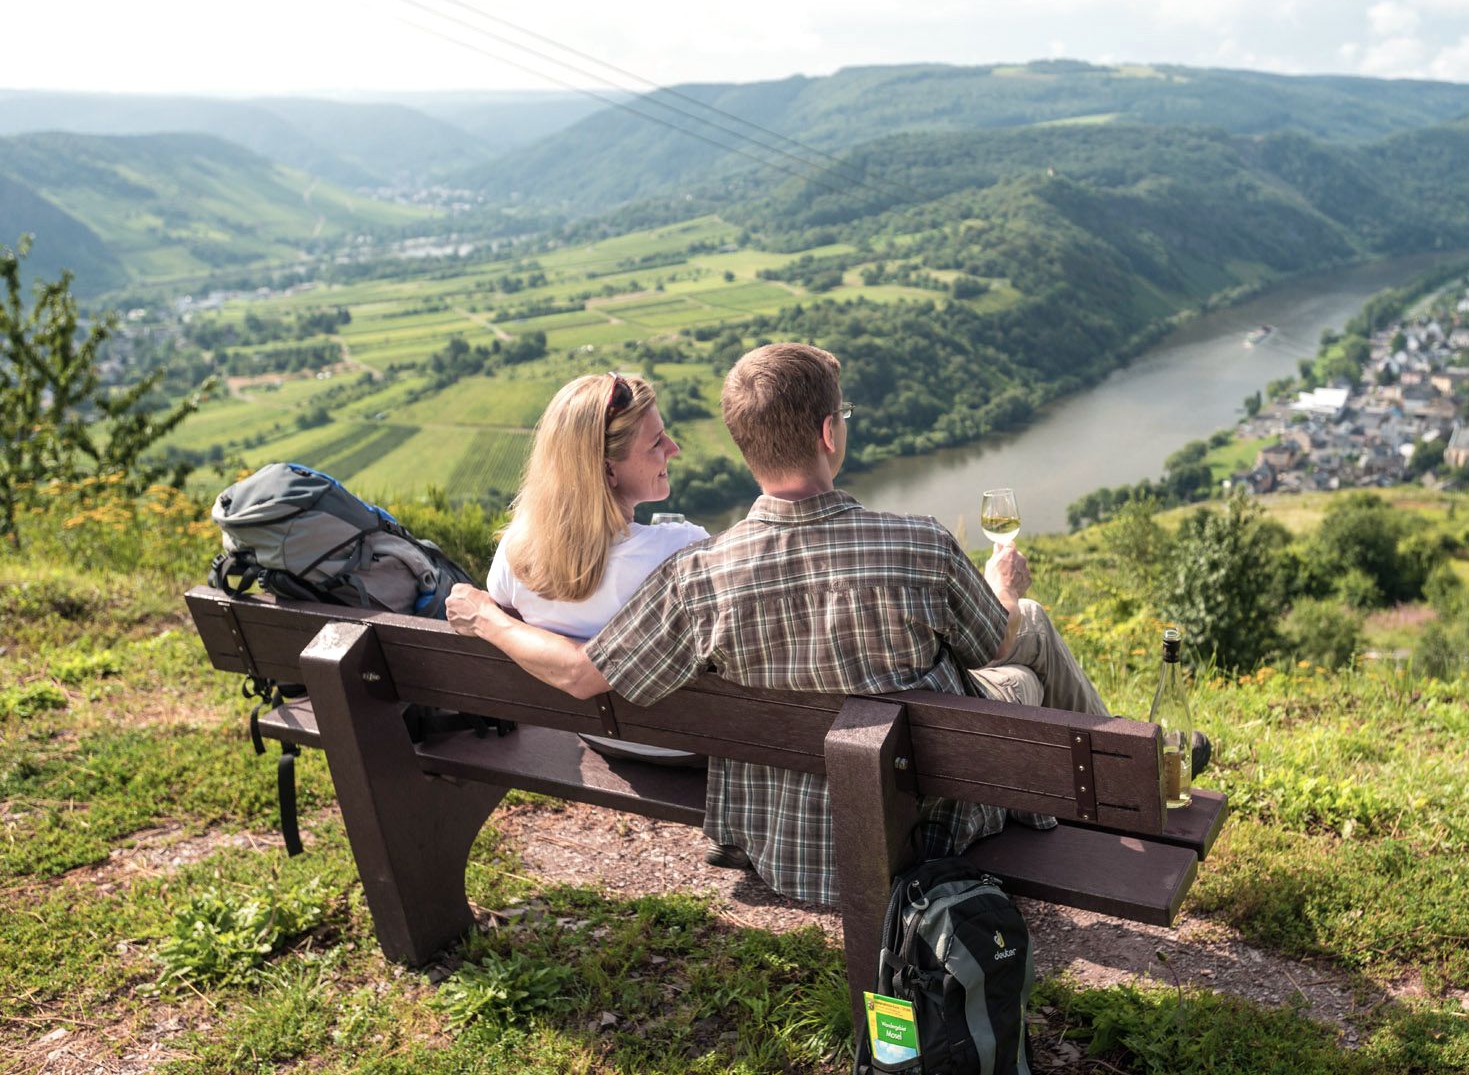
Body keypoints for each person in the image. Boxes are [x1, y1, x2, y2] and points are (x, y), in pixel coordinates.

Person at [447, 343, 1110, 906]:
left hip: (783, 838)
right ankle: (1120, 791)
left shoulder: (696, 576)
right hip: (918, 820)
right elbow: (993, 643)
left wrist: (484, 616)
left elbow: (586, 670)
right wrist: (1003, 587)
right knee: (1024, 662)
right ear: (828, 435)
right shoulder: (921, 545)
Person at [484, 371, 708, 755]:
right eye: (656, 442)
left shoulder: (516, 554)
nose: (673, 448)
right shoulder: (684, 552)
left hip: (596, 738)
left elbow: (507, 623)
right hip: (688, 752)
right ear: (608, 469)